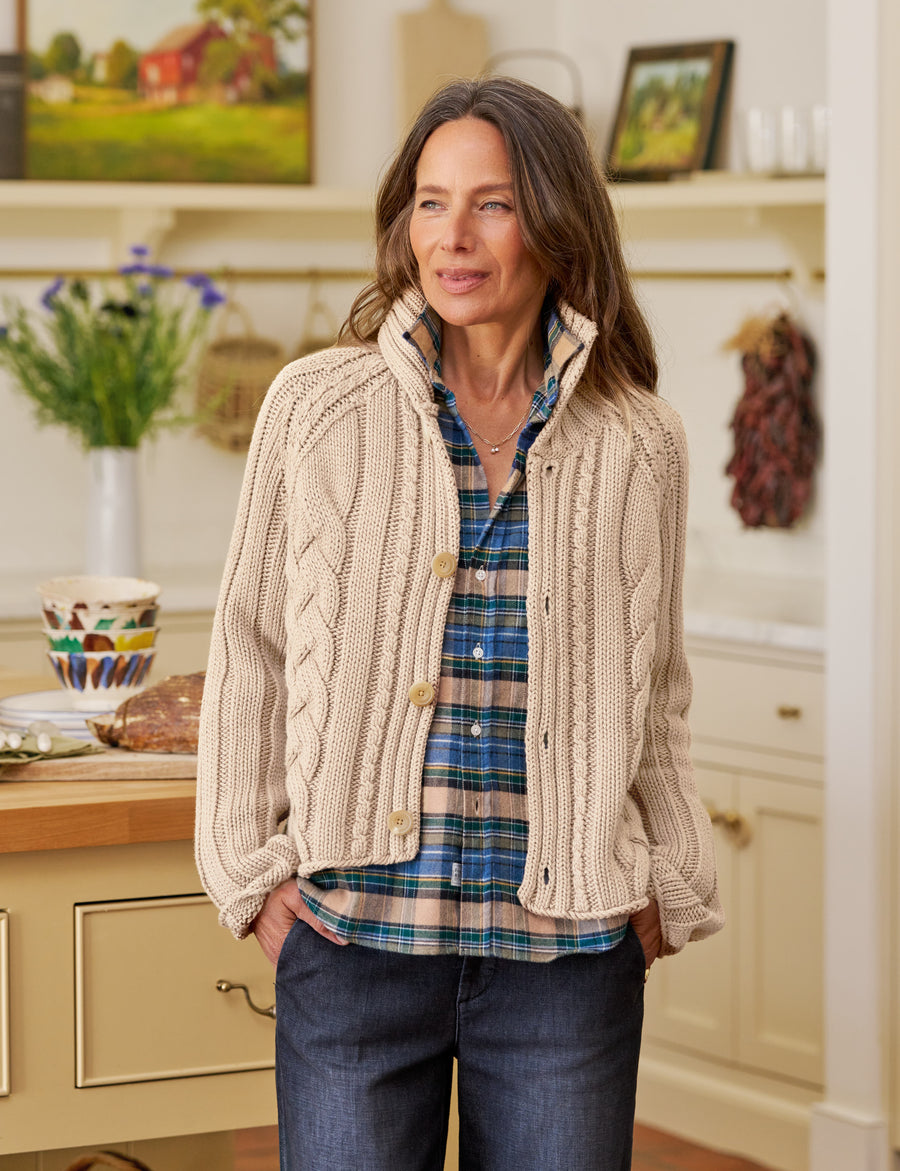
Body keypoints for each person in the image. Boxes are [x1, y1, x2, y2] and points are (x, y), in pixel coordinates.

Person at [196, 75, 724, 1171]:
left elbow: (656, 686)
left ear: (556, 219)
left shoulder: (642, 441)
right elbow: (249, 645)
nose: (454, 236)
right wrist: (247, 869)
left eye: (491, 202)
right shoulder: (315, 407)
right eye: (430, 203)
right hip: (356, 946)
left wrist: (670, 874)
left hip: (566, 966)